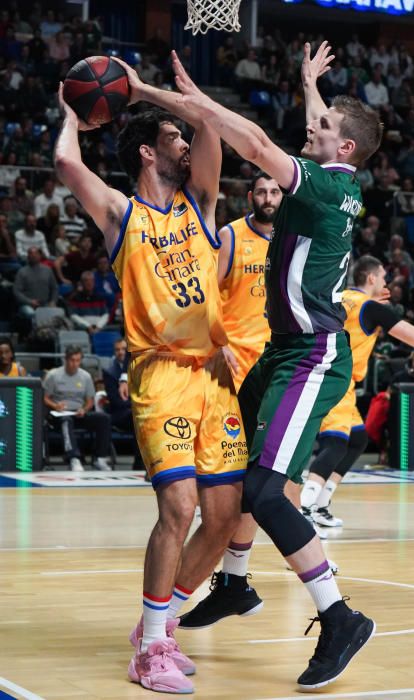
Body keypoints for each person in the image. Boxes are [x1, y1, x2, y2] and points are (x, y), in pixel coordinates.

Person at [171, 40, 383, 690]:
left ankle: (338, 616)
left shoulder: (318, 185)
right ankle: (233, 582)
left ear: (338, 150)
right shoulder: (347, 180)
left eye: (318, 128)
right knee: (244, 471)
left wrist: (198, 105)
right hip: (280, 349)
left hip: (310, 352)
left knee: (265, 492)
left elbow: (261, 145)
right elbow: (328, 133)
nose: (310, 126)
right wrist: (308, 83)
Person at [55, 58, 247, 694]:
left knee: (224, 515)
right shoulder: (120, 213)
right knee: (180, 506)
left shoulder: (202, 202)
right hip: (159, 374)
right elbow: (64, 167)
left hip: (215, 375)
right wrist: (69, 116)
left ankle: (158, 622)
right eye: (173, 139)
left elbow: (208, 121)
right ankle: (153, 648)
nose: (186, 143)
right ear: (147, 151)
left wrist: (143, 89)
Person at [300, 256, 414, 528]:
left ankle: (321, 503)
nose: (387, 282)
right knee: (336, 442)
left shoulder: (340, 297)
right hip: (335, 379)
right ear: (371, 278)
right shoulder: (372, 308)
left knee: (358, 439)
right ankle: (305, 505)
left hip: (327, 375)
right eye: (384, 277)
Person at [218, 172, 281, 391]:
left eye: (275, 192)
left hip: (276, 354)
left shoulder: (291, 239)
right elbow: (208, 294)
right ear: (250, 197)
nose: (268, 199)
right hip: (235, 354)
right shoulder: (229, 235)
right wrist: (218, 343)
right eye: (262, 192)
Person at [43, 345, 112, 472]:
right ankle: (73, 458)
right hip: (59, 414)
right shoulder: (54, 375)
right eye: (72, 360)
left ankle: (99, 458)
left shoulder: (85, 376)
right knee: (66, 420)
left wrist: (84, 410)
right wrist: (55, 406)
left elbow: (90, 400)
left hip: (79, 413)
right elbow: (45, 398)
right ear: (65, 359)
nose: (75, 364)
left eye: (78, 360)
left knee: (104, 419)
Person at [102, 337, 144, 469]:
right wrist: (136, 403)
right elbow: (116, 401)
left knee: (141, 416)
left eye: (123, 349)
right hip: (118, 414)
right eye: (117, 350)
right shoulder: (109, 372)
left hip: (132, 410)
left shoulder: (137, 369)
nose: (121, 352)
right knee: (137, 415)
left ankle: (145, 460)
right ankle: (139, 463)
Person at [13, 245, 58, 320]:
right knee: (31, 314)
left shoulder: (48, 270)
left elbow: (54, 288)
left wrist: (53, 301)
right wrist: (29, 301)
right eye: (30, 253)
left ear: (40, 255)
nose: (33, 255)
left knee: (55, 315)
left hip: (45, 304)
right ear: (28, 256)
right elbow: (16, 291)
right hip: (28, 305)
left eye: (36, 253)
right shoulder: (22, 272)